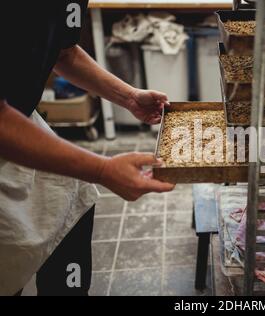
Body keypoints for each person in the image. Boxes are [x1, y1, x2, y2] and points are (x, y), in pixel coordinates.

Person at [0, 1, 175, 296]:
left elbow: (64, 52)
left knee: (73, 207)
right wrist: (103, 170)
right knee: (8, 260)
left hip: (18, 115)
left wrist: (129, 97)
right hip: (6, 128)